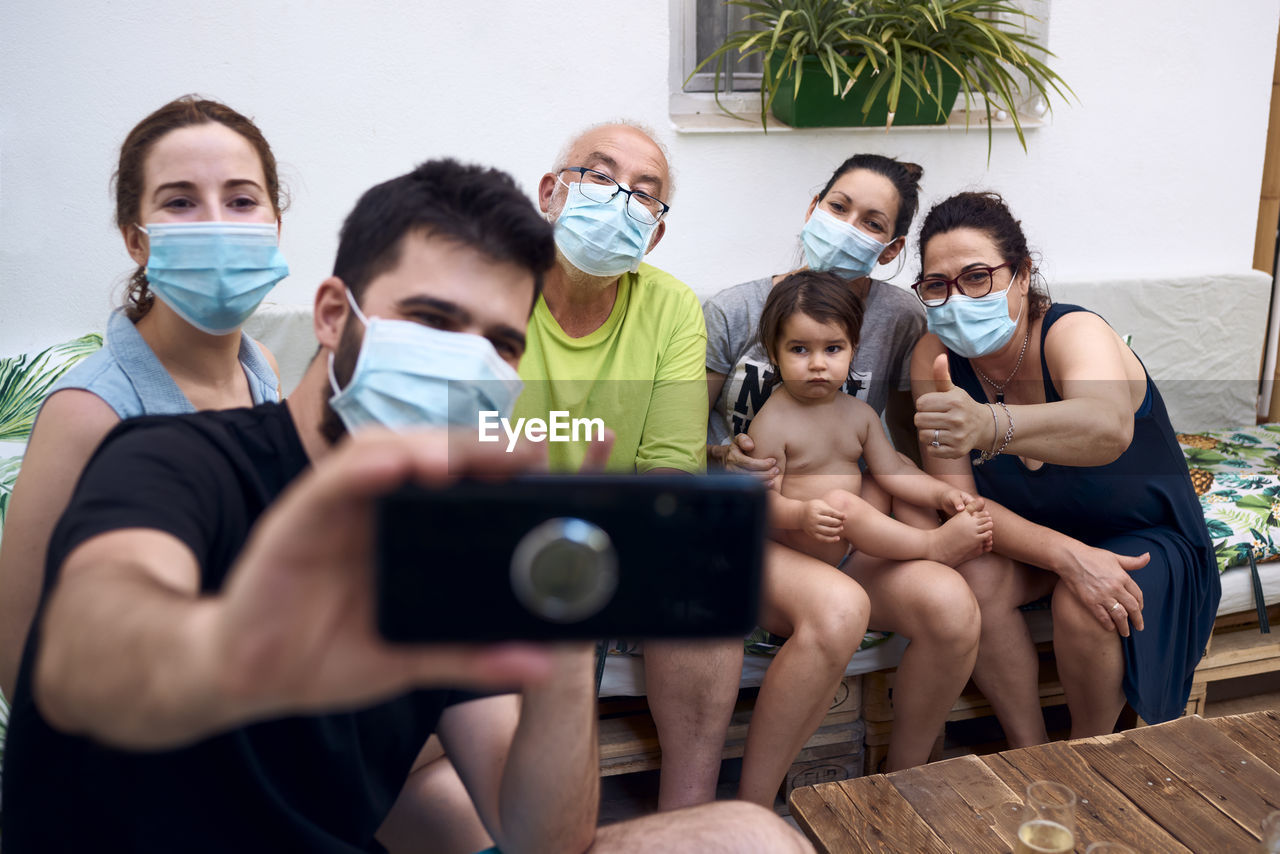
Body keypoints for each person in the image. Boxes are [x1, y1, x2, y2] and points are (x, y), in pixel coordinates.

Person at [3, 160, 811, 854]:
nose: (463, 357)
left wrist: (565, 632)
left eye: (498, 341)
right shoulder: (174, 459)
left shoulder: (452, 537)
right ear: (333, 317)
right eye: (429, 318)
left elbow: (543, 837)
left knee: (753, 835)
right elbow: (95, 641)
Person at [703, 155, 982, 781]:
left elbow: (898, 451)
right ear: (813, 207)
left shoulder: (899, 321)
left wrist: (945, 495)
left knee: (953, 608)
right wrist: (726, 457)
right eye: (838, 207)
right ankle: (756, 806)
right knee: (838, 608)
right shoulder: (733, 313)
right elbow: (677, 441)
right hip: (765, 536)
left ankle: (903, 780)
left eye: (872, 221)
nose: (849, 227)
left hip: (849, 540)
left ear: (892, 247)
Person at [0, 95, 286, 700]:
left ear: (275, 225)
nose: (216, 224)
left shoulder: (262, 371)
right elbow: (19, 653)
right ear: (137, 240)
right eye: (181, 202)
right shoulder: (89, 412)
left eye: (241, 200)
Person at [909, 191, 1221, 743]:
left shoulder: (1074, 333)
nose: (958, 298)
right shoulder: (934, 357)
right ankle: (1030, 751)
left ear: (1023, 275)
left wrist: (988, 424)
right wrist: (1069, 554)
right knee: (973, 576)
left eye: (978, 277)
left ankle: (1087, 753)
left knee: (1086, 601)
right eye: (939, 285)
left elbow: (1107, 427)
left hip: (1146, 533)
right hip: (1047, 538)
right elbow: (960, 504)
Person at [516, 122, 730, 811]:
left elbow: (671, 467)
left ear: (655, 233)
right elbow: (468, 455)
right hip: (504, 526)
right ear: (551, 193)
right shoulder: (487, 288)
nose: (621, 202)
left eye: (646, 194)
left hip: (618, 530)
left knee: (703, 583)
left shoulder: (670, 308)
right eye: (601, 177)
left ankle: (686, 819)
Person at [749, 270, 993, 568]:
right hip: (806, 542)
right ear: (774, 353)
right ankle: (932, 546)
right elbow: (761, 504)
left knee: (898, 466)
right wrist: (801, 514)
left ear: (853, 349)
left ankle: (931, 539)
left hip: (851, 535)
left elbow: (893, 472)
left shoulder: (859, 414)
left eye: (833, 349)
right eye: (799, 349)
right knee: (839, 502)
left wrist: (943, 494)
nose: (817, 364)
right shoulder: (772, 423)